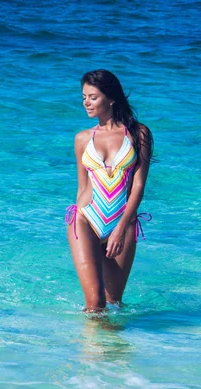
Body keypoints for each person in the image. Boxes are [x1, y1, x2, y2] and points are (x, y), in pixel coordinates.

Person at [65, 69, 154, 312]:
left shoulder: (138, 134)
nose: (86, 102)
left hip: (122, 222)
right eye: (83, 97)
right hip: (86, 220)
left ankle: (113, 350)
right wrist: (79, 217)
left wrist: (122, 227)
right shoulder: (83, 138)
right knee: (95, 304)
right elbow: (82, 186)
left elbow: (138, 186)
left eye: (92, 97)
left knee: (114, 304)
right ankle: (88, 350)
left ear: (111, 98)